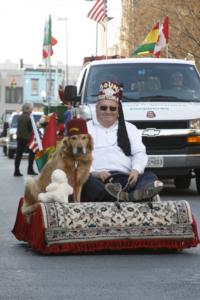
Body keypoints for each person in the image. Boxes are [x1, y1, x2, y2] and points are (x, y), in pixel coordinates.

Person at [81, 80, 163, 203]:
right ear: (96, 109)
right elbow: (79, 157)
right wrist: (95, 173)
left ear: (118, 112)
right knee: (85, 179)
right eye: (103, 107)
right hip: (98, 179)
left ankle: (131, 194)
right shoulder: (86, 129)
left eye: (112, 108)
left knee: (150, 177)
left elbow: (139, 153)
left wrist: (136, 170)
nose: (108, 111)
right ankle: (123, 197)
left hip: (125, 179)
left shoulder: (130, 128)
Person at [14, 103, 38, 177]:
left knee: (19, 154)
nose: (32, 109)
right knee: (32, 154)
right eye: (31, 108)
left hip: (19, 138)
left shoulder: (19, 117)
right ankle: (30, 170)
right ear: (28, 109)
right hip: (27, 139)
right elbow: (31, 129)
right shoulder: (29, 118)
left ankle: (16, 170)